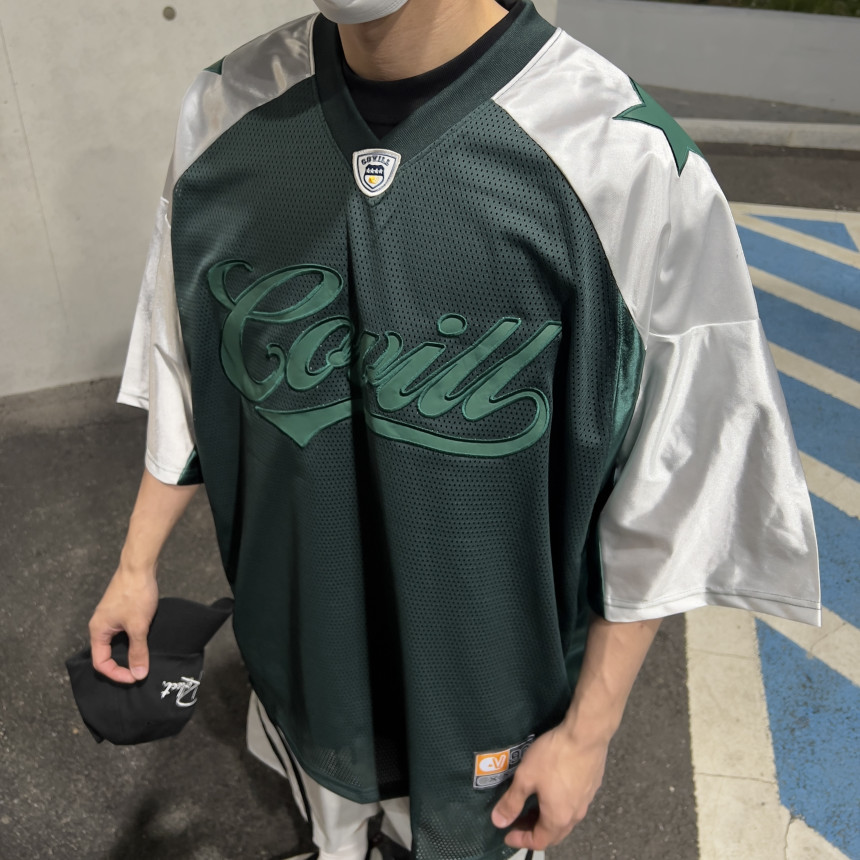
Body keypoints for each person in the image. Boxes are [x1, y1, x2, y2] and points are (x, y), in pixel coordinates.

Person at [88, 0, 821, 858]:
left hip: (491, 687)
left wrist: (587, 733)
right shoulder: (227, 109)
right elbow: (185, 365)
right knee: (330, 823)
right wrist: (135, 566)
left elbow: (676, 486)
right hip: (301, 645)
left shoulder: (620, 154)